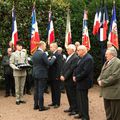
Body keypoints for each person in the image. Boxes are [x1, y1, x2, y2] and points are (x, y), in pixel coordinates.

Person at [32, 41, 56, 111]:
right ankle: (41, 107)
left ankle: (36, 105)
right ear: (42, 46)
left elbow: (37, 62)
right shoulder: (42, 54)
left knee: (36, 90)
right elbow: (49, 64)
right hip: (42, 74)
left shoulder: (34, 53)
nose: (46, 47)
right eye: (45, 46)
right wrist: (53, 58)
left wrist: (46, 60)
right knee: (41, 90)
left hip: (35, 73)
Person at [97, 47, 120, 120]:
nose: (105, 55)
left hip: (114, 93)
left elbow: (115, 76)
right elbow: (102, 73)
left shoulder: (118, 62)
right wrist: (99, 79)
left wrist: (103, 82)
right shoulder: (107, 62)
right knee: (108, 112)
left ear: (112, 54)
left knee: (115, 114)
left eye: (107, 54)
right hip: (107, 92)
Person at [73, 45, 94, 120]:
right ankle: (81, 113)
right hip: (79, 81)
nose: (77, 52)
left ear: (83, 51)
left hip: (84, 82)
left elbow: (85, 72)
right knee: (79, 99)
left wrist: (77, 77)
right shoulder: (81, 58)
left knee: (83, 100)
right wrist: (74, 76)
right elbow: (76, 67)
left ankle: (86, 116)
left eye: (78, 50)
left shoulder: (88, 58)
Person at [60, 44, 79, 116]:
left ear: (72, 50)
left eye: (68, 49)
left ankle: (75, 109)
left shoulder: (75, 58)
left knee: (73, 95)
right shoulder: (69, 56)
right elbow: (64, 66)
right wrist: (61, 74)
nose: (67, 50)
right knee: (69, 94)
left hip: (70, 80)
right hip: (66, 79)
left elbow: (71, 69)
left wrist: (64, 76)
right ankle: (71, 107)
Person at [48, 43, 63, 108]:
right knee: (53, 89)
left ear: (55, 47)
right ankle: (53, 102)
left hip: (56, 75)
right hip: (52, 75)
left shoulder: (58, 55)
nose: (50, 48)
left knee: (57, 89)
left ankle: (57, 103)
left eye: (51, 47)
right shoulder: (52, 54)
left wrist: (58, 75)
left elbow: (60, 66)